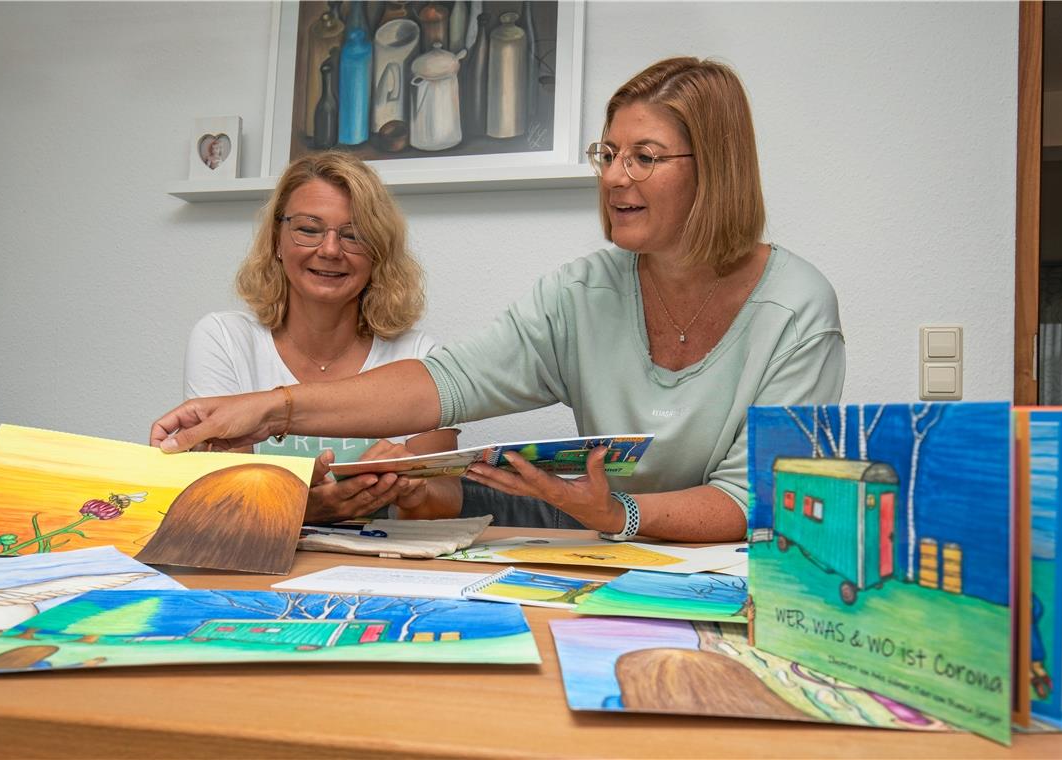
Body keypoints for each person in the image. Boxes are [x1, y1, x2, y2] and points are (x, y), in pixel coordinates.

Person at [153, 57, 845, 543]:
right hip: (600, 549)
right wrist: (276, 407)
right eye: (607, 154)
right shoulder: (580, 293)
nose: (614, 177)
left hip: (718, 570)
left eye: (644, 156)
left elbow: (750, 497)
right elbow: (448, 384)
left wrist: (619, 515)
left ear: (716, 170)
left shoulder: (797, 306)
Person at [181, 150, 462, 523]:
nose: (330, 250)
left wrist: (414, 489)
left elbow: (446, 503)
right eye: (309, 229)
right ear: (276, 241)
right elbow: (225, 501)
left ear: (378, 252)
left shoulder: (418, 354)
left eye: (354, 235)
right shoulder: (224, 340)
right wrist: (305, 506)